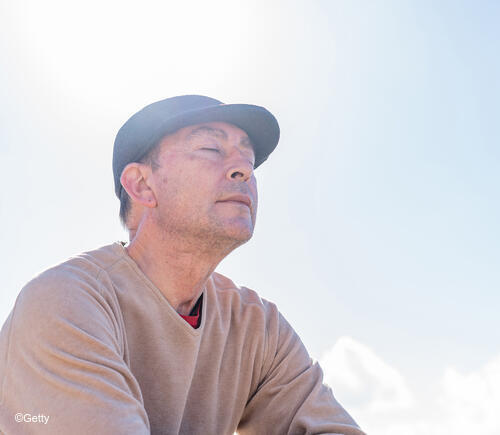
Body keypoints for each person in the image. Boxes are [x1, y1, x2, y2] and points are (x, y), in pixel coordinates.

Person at [0, 95, 365, 434]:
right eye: (210, 148)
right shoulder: (64, 303)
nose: (244, 170)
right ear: (142, 185)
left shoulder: (259, 328)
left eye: (249, 160)